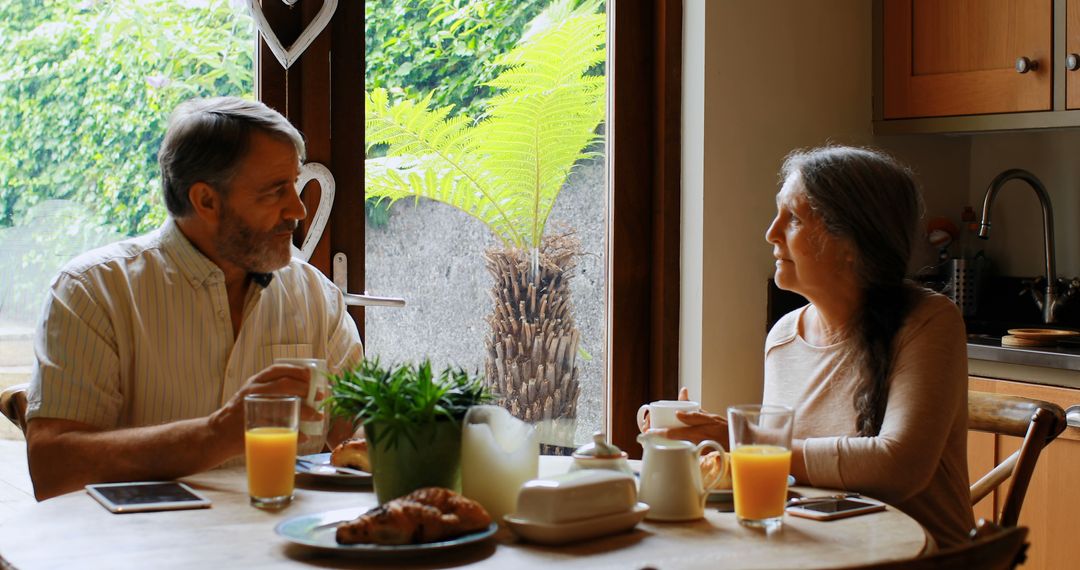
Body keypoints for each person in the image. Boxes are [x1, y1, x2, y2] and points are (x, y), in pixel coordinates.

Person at [24, 97, 363, 500]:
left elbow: (360, 424)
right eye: (276, 191)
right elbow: (52, 469)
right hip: (141, 555)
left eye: (294, 182)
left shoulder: (314, 295)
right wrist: (219, 433)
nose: (299, 208)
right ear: (206, 201)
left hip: (288, 552)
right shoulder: (93, 291)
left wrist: (381, 434)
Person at [646, 146, 974, 548]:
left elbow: (898, 465)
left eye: (795, 218)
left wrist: (744, 441)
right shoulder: (783, 338)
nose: (771, 232)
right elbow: (785, 478)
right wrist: (698, 444)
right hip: (824, 550)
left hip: (922, 557)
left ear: (853, 244)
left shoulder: (928, 321)